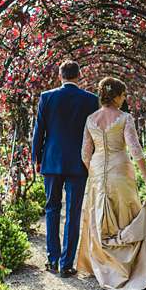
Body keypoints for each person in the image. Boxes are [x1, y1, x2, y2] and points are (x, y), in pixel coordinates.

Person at [77, 77, 146, 290]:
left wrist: (93, 172)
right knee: (126, 213)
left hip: (97, 169)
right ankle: (128, 265)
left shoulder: (90, 119)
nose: (124, 99)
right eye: (123, 95)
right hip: (120, 169)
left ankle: (103, 264)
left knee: (99, 215)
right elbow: (134, 149)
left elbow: (85, 153)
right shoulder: (124, 118)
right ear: (115, 96)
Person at [32, 60, 99, 276]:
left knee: (52, 209)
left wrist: (36, 158)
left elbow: (39, 130)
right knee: (73, 211)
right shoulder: (90, 100)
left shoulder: (47, 97)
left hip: (51, 161)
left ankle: (52, 259)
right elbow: (94, 134)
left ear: (60, 76)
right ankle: (66, 264)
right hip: (79, 163)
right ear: (79, 75)